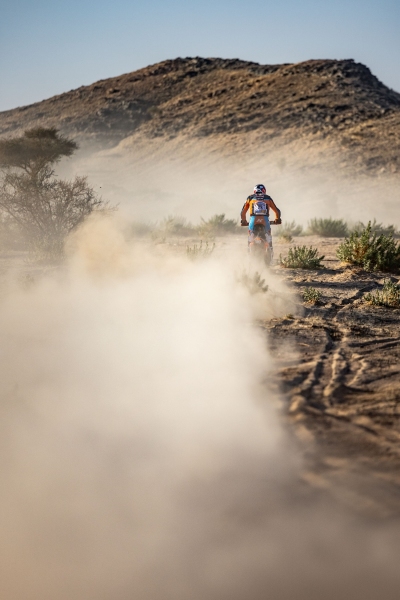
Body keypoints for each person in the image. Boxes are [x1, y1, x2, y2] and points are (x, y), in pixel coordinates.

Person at [240, 184, 281, 251]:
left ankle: (249, 252)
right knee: (268, 236)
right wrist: (277, 219)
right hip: (265, 220)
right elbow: (277, 211)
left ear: (254, 191)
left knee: (250, 236)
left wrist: (243, 221)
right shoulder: (268, 198)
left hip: (253, 220)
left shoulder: (250, 198)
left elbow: (243, 212)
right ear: (264, 191)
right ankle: (270, 250)